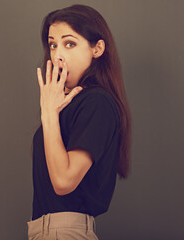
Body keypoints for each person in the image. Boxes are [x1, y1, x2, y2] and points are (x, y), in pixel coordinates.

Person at [28, 4, 132, 240]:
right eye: (53, 45)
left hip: (64, 232)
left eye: (69, 43)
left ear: (98, 48)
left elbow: (63, 181)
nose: (58, 55)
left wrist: (48, 113)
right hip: (42, 231)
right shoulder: (67, 105)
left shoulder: (97, 101)